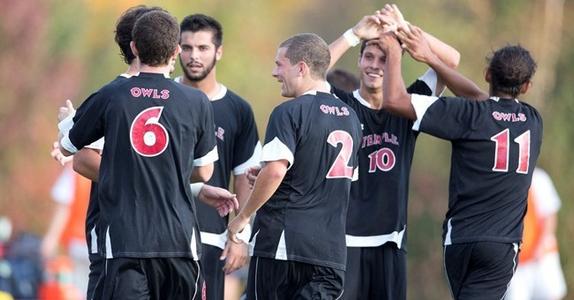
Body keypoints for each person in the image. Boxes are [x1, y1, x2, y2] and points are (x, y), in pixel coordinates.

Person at [58, 10, 238, 298]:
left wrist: (69, 119)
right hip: (179, 242)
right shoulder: (196, 102)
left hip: (125, 242)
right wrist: (175, 177)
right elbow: (204, 171)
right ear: (176, 51)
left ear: (134, 47)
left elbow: (68, 148)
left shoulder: (112, 95)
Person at [380, 24, 543, 299]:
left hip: (460, 241)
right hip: (501, 247)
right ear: (526, 86)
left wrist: (396, 50)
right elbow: (483, 101)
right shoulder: (533, 120)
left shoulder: (471, 115)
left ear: (487, 74)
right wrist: (430, 57)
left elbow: (395, 100)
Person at [326, 5, 461, 299]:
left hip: (389, 241)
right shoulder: (339, 103)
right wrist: (353, 35)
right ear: (359, 61)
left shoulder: (408, 106)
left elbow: (452, 60)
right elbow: (310, 68)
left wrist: (405, 29)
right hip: (343, 241)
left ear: (395, 64)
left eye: (384, 59)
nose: (375, 65)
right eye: (369, 57)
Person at [228, 33, 362, 299]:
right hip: (329, 252)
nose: (274, 72)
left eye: (280, 64)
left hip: (282, 245)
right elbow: (332, 180)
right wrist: (269, 176)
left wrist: (242, 219)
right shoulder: (352, 118)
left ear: (301, 68)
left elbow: (277, 170)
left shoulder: (289, 111)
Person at [175, 14, 261, 300]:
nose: (193, 56)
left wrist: (240, 237)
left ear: (219, 52)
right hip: (162, 235)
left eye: (203, 48)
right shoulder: (164, 97)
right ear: (176, 50)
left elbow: (246, 178)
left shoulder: (238, 110)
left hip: (211, 239)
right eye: (186, 48)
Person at [506, 167, 567, 300]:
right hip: (516, 263)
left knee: (551, 295)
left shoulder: (538, 177)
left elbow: (550, 215)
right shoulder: (504, 181)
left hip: (542, 256)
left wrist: (541, 245)